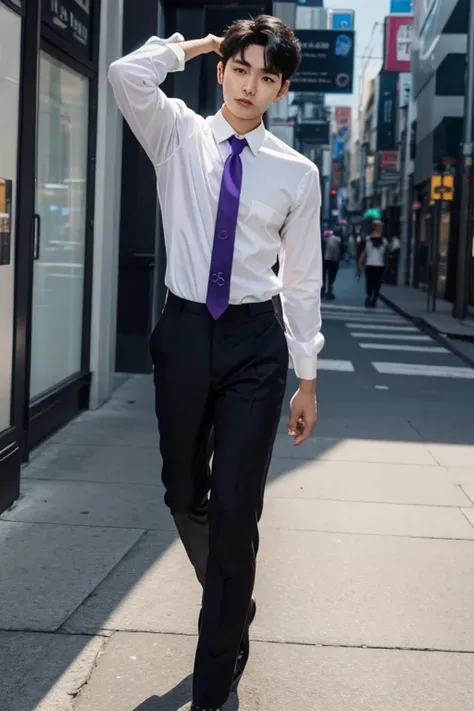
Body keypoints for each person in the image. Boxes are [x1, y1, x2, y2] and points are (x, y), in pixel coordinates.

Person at [109, 15, 324, 711]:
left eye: (266, 78)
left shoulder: (297, 173)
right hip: (182, 332)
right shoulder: (176, 133)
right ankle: (234, 602)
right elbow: (123, 74)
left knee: (237, 510)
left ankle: (215, 675)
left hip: (254, 345)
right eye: (240, 69)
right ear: (223, 68)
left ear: (281, 90)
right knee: (183, 492)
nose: (249, 86)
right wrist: (197, 44)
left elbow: (301, 281)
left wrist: (307, 376)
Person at [358, 220, 388, 307]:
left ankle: (374, 298)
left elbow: (386, 254)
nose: (380, 228)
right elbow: (364, 253)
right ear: (374, 227)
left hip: (380, 265)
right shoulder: (368, 239)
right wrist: (360, 264)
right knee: (369, 283)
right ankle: (369, 296)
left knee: (377, 283)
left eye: (381, 227)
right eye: (378, 226)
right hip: (370, 264)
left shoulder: (384, 241)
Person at [322, 228, 342, 299]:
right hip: (334, 260)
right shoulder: (337, 239)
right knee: (331, 276)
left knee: (324, 276)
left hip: (325, 259)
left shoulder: (324, 239)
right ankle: (328, 290)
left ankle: (324, 290)